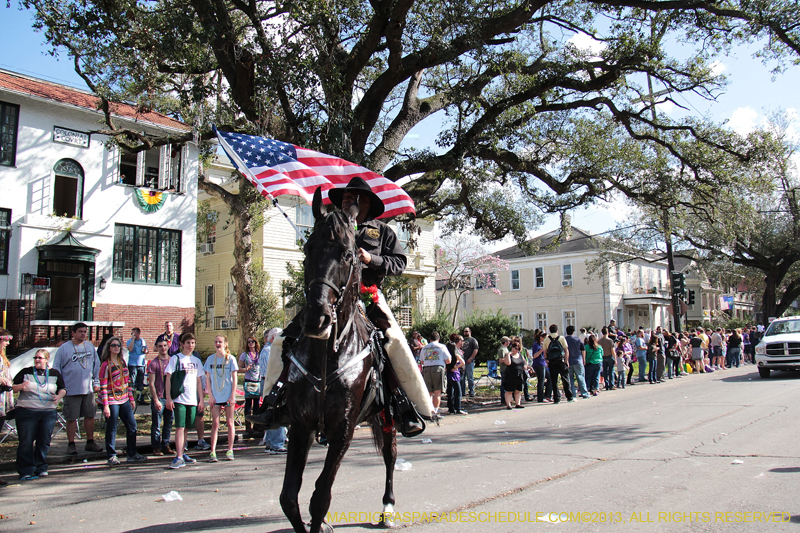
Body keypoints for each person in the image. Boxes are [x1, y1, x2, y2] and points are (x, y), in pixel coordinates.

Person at [252, 177, 434, 429]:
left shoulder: (382, 231)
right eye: (346, 198)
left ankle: (404, 405)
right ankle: (275, 401)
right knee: (285, 339)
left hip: (367, 296)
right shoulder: (331, 225)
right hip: (331, 297)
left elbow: (400, 263)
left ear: (367, 203)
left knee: (394, 342)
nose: (348, 202)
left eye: (354, 198)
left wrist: (372, 258)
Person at [12, 349, 67, 480]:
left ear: (47, 359)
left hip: (47, 412)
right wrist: (21, 386)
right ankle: (26, 470)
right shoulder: (26, 372)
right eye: (35, 358)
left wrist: (58, 397)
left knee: (44, 441)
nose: (37, 360)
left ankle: (40, 467)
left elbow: (63, 389)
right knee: (26, 441)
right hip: (27, 411)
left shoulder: (54, 373)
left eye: (40, 358)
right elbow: (12, 387)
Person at [51, 322, 103, 455]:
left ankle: (90, 441)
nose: (83, 334)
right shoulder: (64, 348)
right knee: (71, 417)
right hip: (71, 389)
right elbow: (57, 368)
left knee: (90, 415)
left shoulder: (90, 347)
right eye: (80, 331)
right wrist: (59, 387)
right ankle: (71, 443)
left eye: (85, 331)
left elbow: (96, 366)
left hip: (88, 389)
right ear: (73, 333)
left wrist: (96, 382)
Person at [99, 337, 146, 465]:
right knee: (112, 427)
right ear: (109, 347)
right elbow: (103, 386)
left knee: (132, 425)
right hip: (111, 400)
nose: (116, 347)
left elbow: (127, 382)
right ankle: (111, 455)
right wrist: (105, 406)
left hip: (124, 398)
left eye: (118, 345)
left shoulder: (122, 362)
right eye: (113, 345)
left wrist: (131, 398)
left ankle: (132, 453)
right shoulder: (105, 365)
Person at [165, 333, 206, 469]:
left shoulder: (196, 361)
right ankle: (178, 457)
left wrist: (201, 400)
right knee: (179, 427)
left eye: (193, 343)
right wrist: (169, 398)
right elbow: (168, 378)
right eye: (188, 343)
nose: (190, 345)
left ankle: (182, 453)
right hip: (179, 399)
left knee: (187, 428)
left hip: (192, 399)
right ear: (182, 344)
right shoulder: (176, 359)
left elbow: (199, 381)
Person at [205, 335, 239, 462]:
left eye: (220, 342)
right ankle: (213, 451)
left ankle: (230, 449)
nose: (217, 344)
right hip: (216, 395)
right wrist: (210, 396)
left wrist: (232, 396)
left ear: (225, 344)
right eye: (216, 342)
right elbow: (208, 378)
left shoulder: (230, 359)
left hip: (227, 395)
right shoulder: (210, 360)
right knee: (215, 423)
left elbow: (234, 378)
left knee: (230, 422)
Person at [258, 328, 287, 454]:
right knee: (277, 411)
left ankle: (270, 443)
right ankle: (276, 443)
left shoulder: (265, 350)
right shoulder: (271, 350)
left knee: (271, 411)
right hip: (273, 383)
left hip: (267, 382)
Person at [147, 338, 174, 456]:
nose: (163, 348)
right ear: (156, 348)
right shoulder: (153, 363)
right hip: (159, 397)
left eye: (164, 346)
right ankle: (156, 446)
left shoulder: (172, 361)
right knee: (157, 424)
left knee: (169, 422)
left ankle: (166, 444)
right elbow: (151, 383)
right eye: (160, 346)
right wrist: (155, 400)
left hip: (171, 398)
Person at [419, 332, 451, 414]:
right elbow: (448, 360)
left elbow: (422, 361)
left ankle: (428, 411)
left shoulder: (425, 348)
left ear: (430, 339)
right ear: (438, 339)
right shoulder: (441, 346)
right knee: (437, 392)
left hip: (426, 369)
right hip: (438, 368)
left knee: (428, 392)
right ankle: (435, 411)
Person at [543, 324, 574, 404]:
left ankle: (556, 398)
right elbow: (566, 350)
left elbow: (545, 351)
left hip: (552, 361)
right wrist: (566, 361)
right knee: (565, 379)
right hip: (561, 361)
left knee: (554, 380)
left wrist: (547, 360)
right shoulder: (561, 338)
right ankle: (569, 397)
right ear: (557, 330)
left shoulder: (546, 339)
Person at [239, 336, 262, 434]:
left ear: (256, 343)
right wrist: (245, 369)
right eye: (248, 342)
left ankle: (256, 424)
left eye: (252, 342)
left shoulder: (259, 354)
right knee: (248, 403)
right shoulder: (244, 355)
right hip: (248, 380)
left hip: (258, 380)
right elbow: (238, 367)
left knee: (257, 404)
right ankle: (248, 426)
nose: (250, 343)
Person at [501, 339, 528, 409]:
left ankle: (518, 404)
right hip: (511, 375)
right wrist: (508, 354)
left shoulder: (520, 356)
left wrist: (525, 367)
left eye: (518, 348)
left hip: (519, 375)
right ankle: (508, 404)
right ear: (512, 347)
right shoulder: (509, 355)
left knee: (518, 390)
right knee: (509, 390)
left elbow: (525, 363)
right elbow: (508, 363)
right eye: (515, 347)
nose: (517, 349)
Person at [126, 327, 149, 405]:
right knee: (132, 382)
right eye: (132, 333)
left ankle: (140, 398)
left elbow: (146, 350)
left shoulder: (143, 341)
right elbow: (130, 349)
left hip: (141, 364)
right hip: (133, 364)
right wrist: (132, 339)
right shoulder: (129, 341)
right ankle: (131, 398)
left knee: (140, 382)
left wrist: (146, 351)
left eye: (134, 333)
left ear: (138, 334)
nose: (133, 335)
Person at [565, 326, 588, 399]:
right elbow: (583, 349)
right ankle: (584, 393)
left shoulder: (565, 340)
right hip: (578, 359)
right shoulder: (577, 339)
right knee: (580, 377)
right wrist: (584, 359)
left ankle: (573, 394)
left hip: (568, 361)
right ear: (573, 332)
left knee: (570, 378)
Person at [445, 334, 467, 415]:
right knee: (458, 392)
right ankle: (458, 408)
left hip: (449, 374)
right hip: (455, 374)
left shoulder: (448, 356)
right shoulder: (456, 355)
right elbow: (463, 362)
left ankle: (451, 409)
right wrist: (456, 367)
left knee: (450, 392)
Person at [530, 331, 552, 402]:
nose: (544, 338)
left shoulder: (542, 344)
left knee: (550, 378)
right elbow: (534, 356)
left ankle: (547, 395)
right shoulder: (536, 345)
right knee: (541, 380)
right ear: (540, 337)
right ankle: (540, 397)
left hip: (543, 364)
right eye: (543, 336)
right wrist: (541, 350)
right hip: (538, 364)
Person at [460, 327, 478, 398]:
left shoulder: (473, 340)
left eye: (467, 331)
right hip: (462, 362)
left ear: (470, 332)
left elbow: (475, 350)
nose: (465, 333)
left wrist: (471, 358)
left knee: (470, 377)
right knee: (462, 378)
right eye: (464, 331)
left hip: (469, 362)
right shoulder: (462, 340)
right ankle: (463, 392)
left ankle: (471, 391)